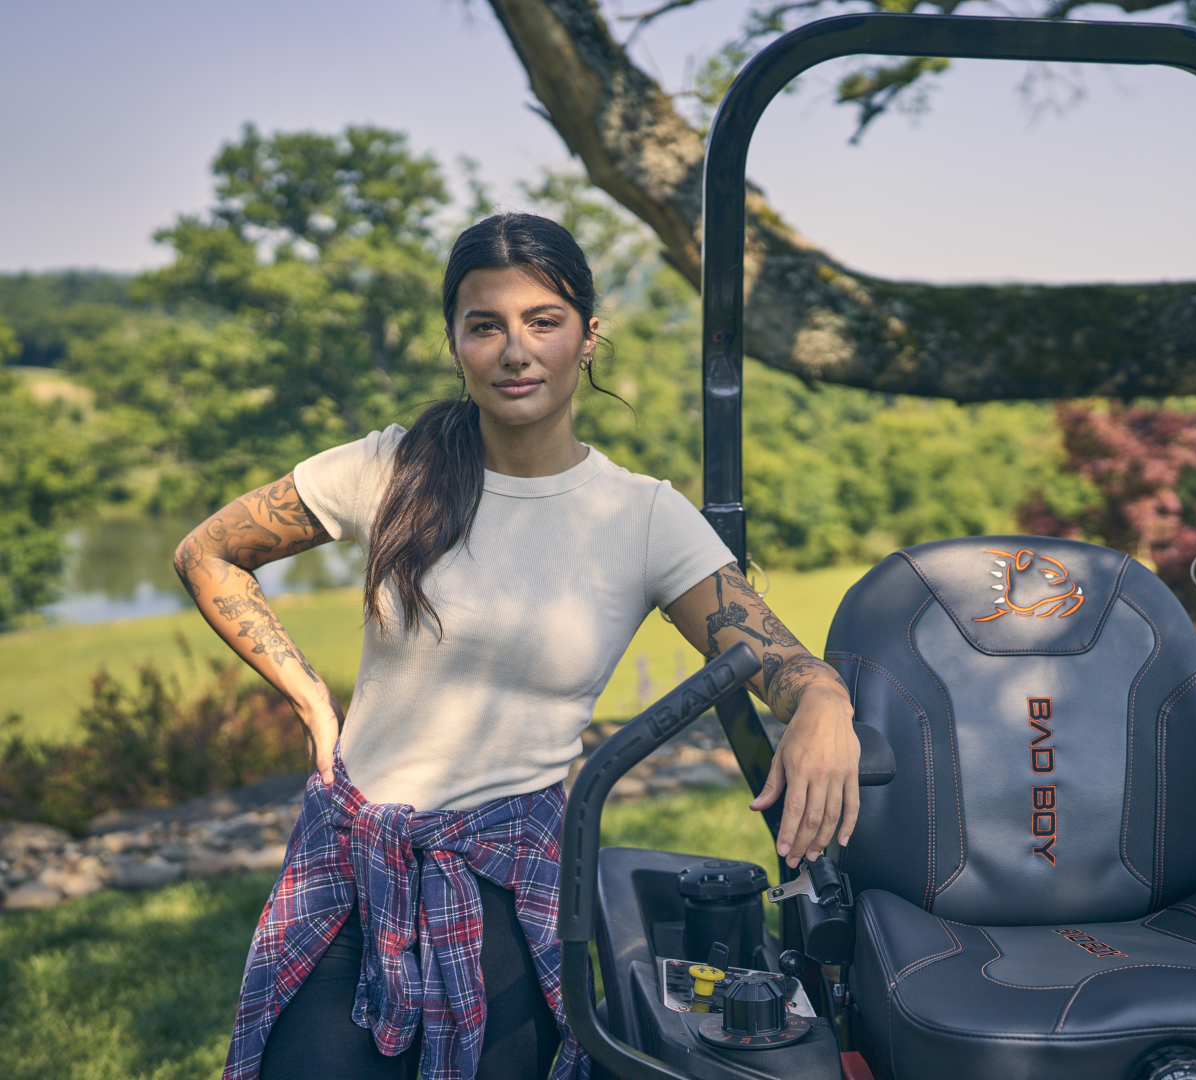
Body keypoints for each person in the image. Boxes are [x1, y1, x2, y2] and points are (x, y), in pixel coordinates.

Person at [174, 213, 861, 1080]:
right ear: (456, 342)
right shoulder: (390, 469)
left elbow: (785, 663)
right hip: (353, 863)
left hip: (508, 877)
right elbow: (208, 551)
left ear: (588, 337)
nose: (515, 350)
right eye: (485, 324)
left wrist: (825, 701)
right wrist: (311, 696)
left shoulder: (641, 517)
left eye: (543, 321)